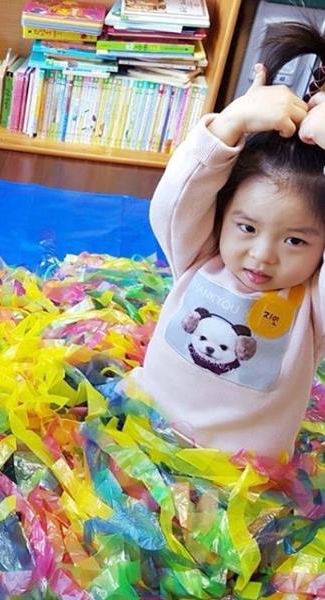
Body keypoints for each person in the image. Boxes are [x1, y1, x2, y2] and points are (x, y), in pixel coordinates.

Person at [122, 21, 325, 460]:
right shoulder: (199, 252)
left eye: (295, 241)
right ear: (221, 213)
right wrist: (231, 122)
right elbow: (176, 199)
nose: (262, 255)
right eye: (247, 228)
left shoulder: (314, 304)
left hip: (238, 481)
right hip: (141, 438)